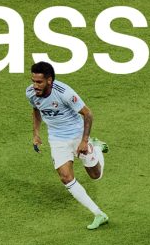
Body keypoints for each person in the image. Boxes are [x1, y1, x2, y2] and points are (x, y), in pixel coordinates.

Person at [26, 61, 109, 229]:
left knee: (95, 175)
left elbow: (88, 113)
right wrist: (36, 134)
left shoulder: (64, 93)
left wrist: (84, 141)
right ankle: (99, 214)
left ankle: (96, 147)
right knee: (65, 177)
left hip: (77, 135)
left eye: (39, 82)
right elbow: (36, 110)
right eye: (33, 81)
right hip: (57, 139)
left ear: (49, 80)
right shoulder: (31, 93)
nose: (35, 85)